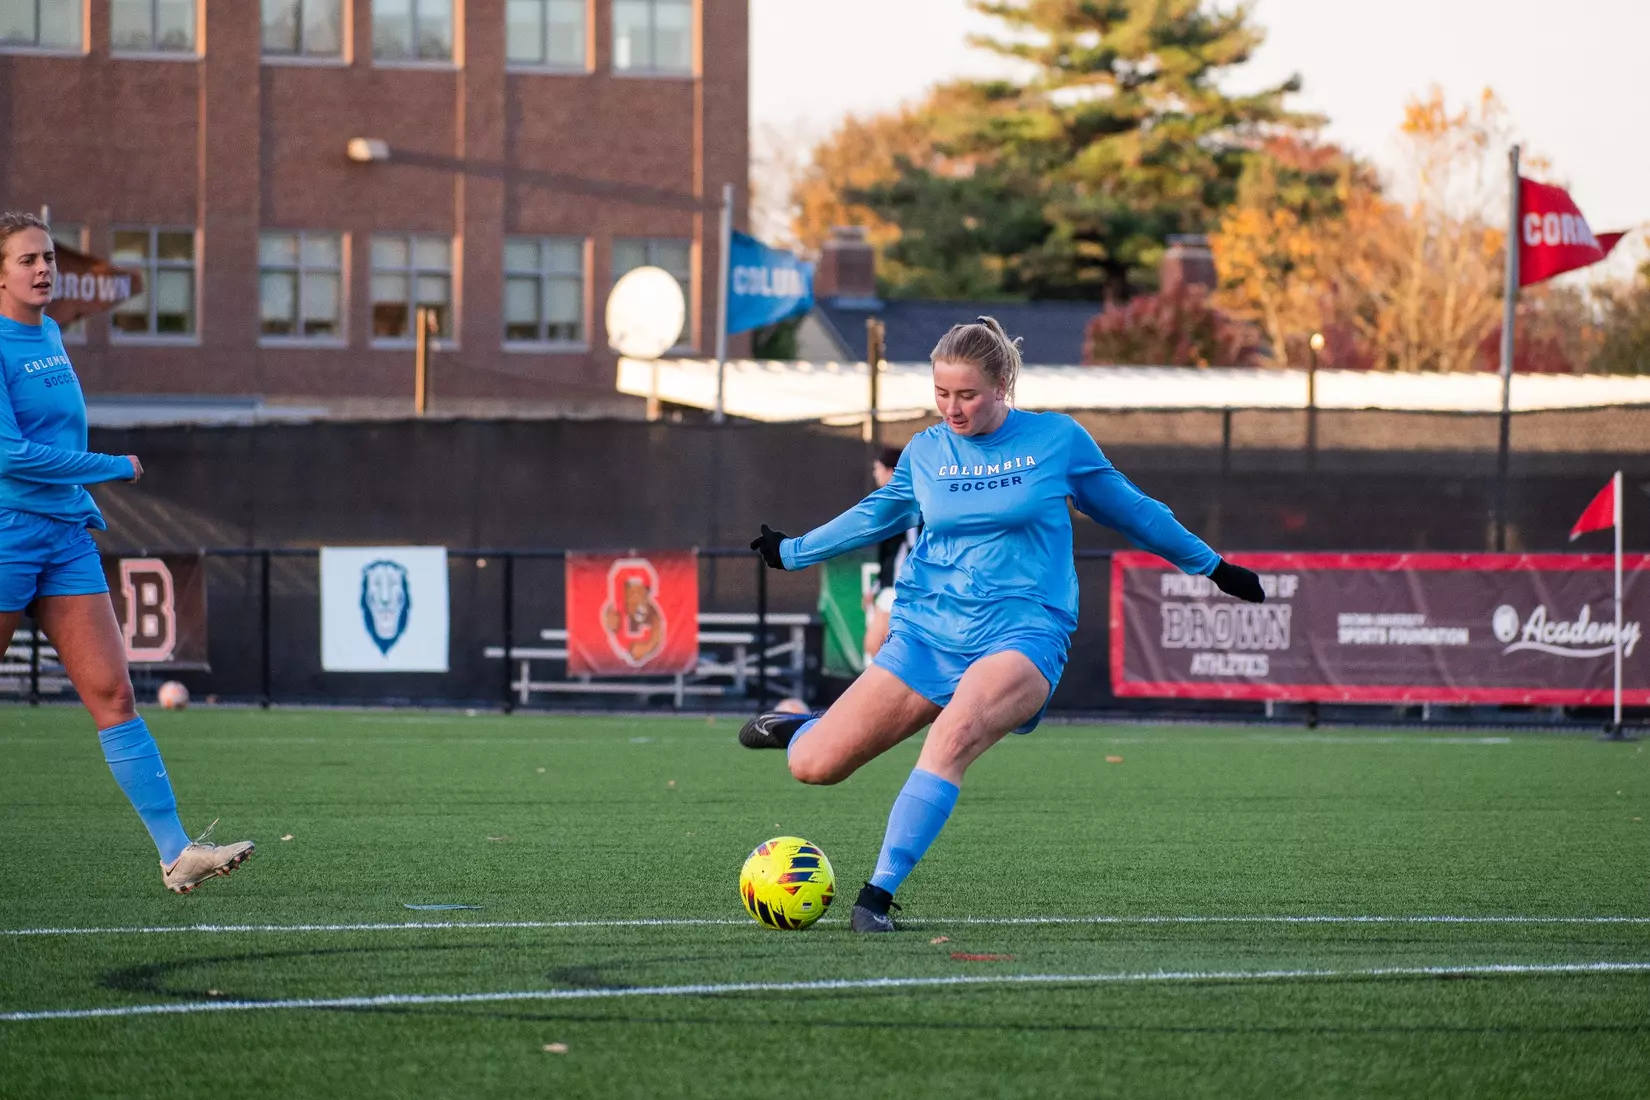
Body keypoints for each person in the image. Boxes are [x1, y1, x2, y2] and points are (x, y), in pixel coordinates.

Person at [741, 316, 1263, 932]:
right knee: (815, 766)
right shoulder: (927, 452)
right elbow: (873, 516)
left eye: (967, 395)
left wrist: (1213, 566)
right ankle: (808, 728)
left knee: (951, 738)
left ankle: (875, 897)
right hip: (927, 633)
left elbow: (1136, 512)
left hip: (1024, 629)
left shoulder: (1058, 442)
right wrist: (792, 550)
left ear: (1002, 384)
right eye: (941, 394)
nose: (952, 409)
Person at [0, 212, 252, 893]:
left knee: (114, 694)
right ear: (0, 273)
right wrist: (105, 464)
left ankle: (177, 854)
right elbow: (9, 453)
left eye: (48, 256)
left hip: (64, 535)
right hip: (8, 531)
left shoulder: (49, 331)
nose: (44, 268)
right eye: (27, 259)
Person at [863, 445, 918, 660]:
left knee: (878, 645)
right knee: (878, 648)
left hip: (903, 588)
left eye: (878, 468)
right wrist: (877, 585)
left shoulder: (910, 503)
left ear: (893, 471)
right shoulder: (890, 504)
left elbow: (913, 548)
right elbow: (890, 554)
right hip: (892, 587)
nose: (876, 474)